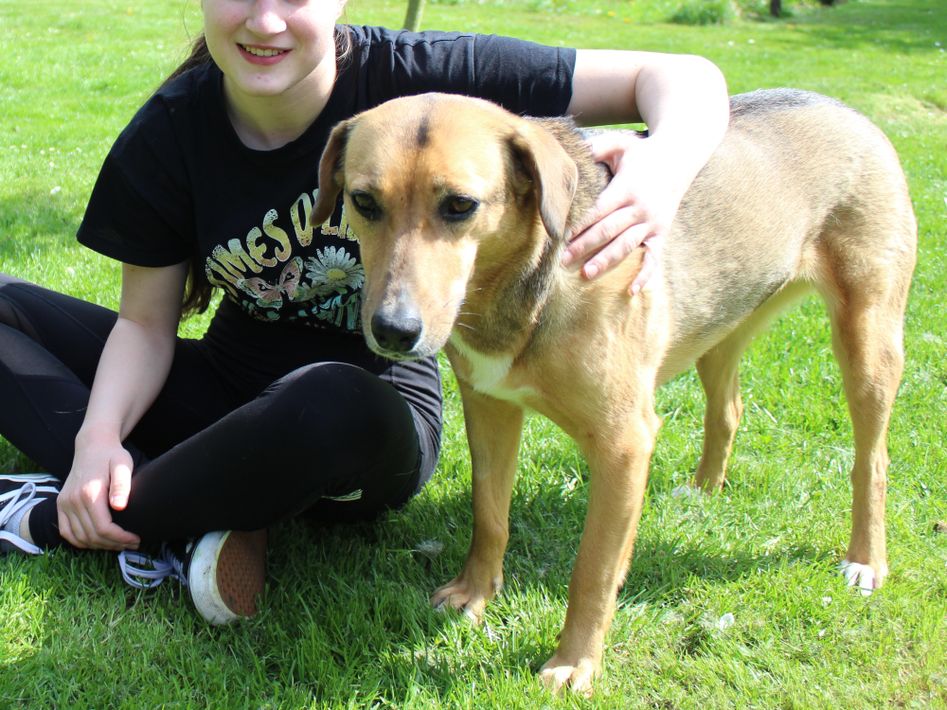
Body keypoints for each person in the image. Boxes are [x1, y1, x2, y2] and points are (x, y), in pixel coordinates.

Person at [0, 0, 729, 624]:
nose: (265, 20)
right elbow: (145, 325)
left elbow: (683, 77)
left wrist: (665, 166)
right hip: (226, 388)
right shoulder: (170, 131)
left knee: (328, 398)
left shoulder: (429, 84)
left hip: (366, 416)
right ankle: (191, 506)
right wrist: (97, 438)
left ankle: (62, 518)